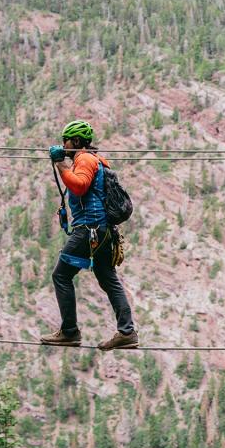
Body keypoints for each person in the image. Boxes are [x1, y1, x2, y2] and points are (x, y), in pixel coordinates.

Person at [40, 120, 138, 350]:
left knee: (61, 276)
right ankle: (127, 332)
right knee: (108, 279)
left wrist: (60, 164)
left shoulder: (84, 159)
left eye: (66, 140)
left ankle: (69, 332)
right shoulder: (96, 161)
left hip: (89, 229)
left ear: (75, 141)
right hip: (103, 232)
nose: (63, 144)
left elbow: (80, 186)